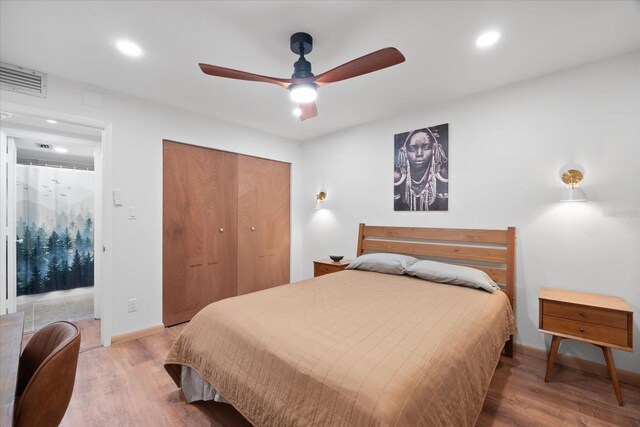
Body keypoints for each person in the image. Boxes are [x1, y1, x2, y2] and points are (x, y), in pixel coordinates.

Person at [394, 127, 448, 211]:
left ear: (434, 149)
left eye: (426, 147)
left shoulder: (443, 177)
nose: (419, 154)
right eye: (412, 149)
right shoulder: (397, 180)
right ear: (404, 152)